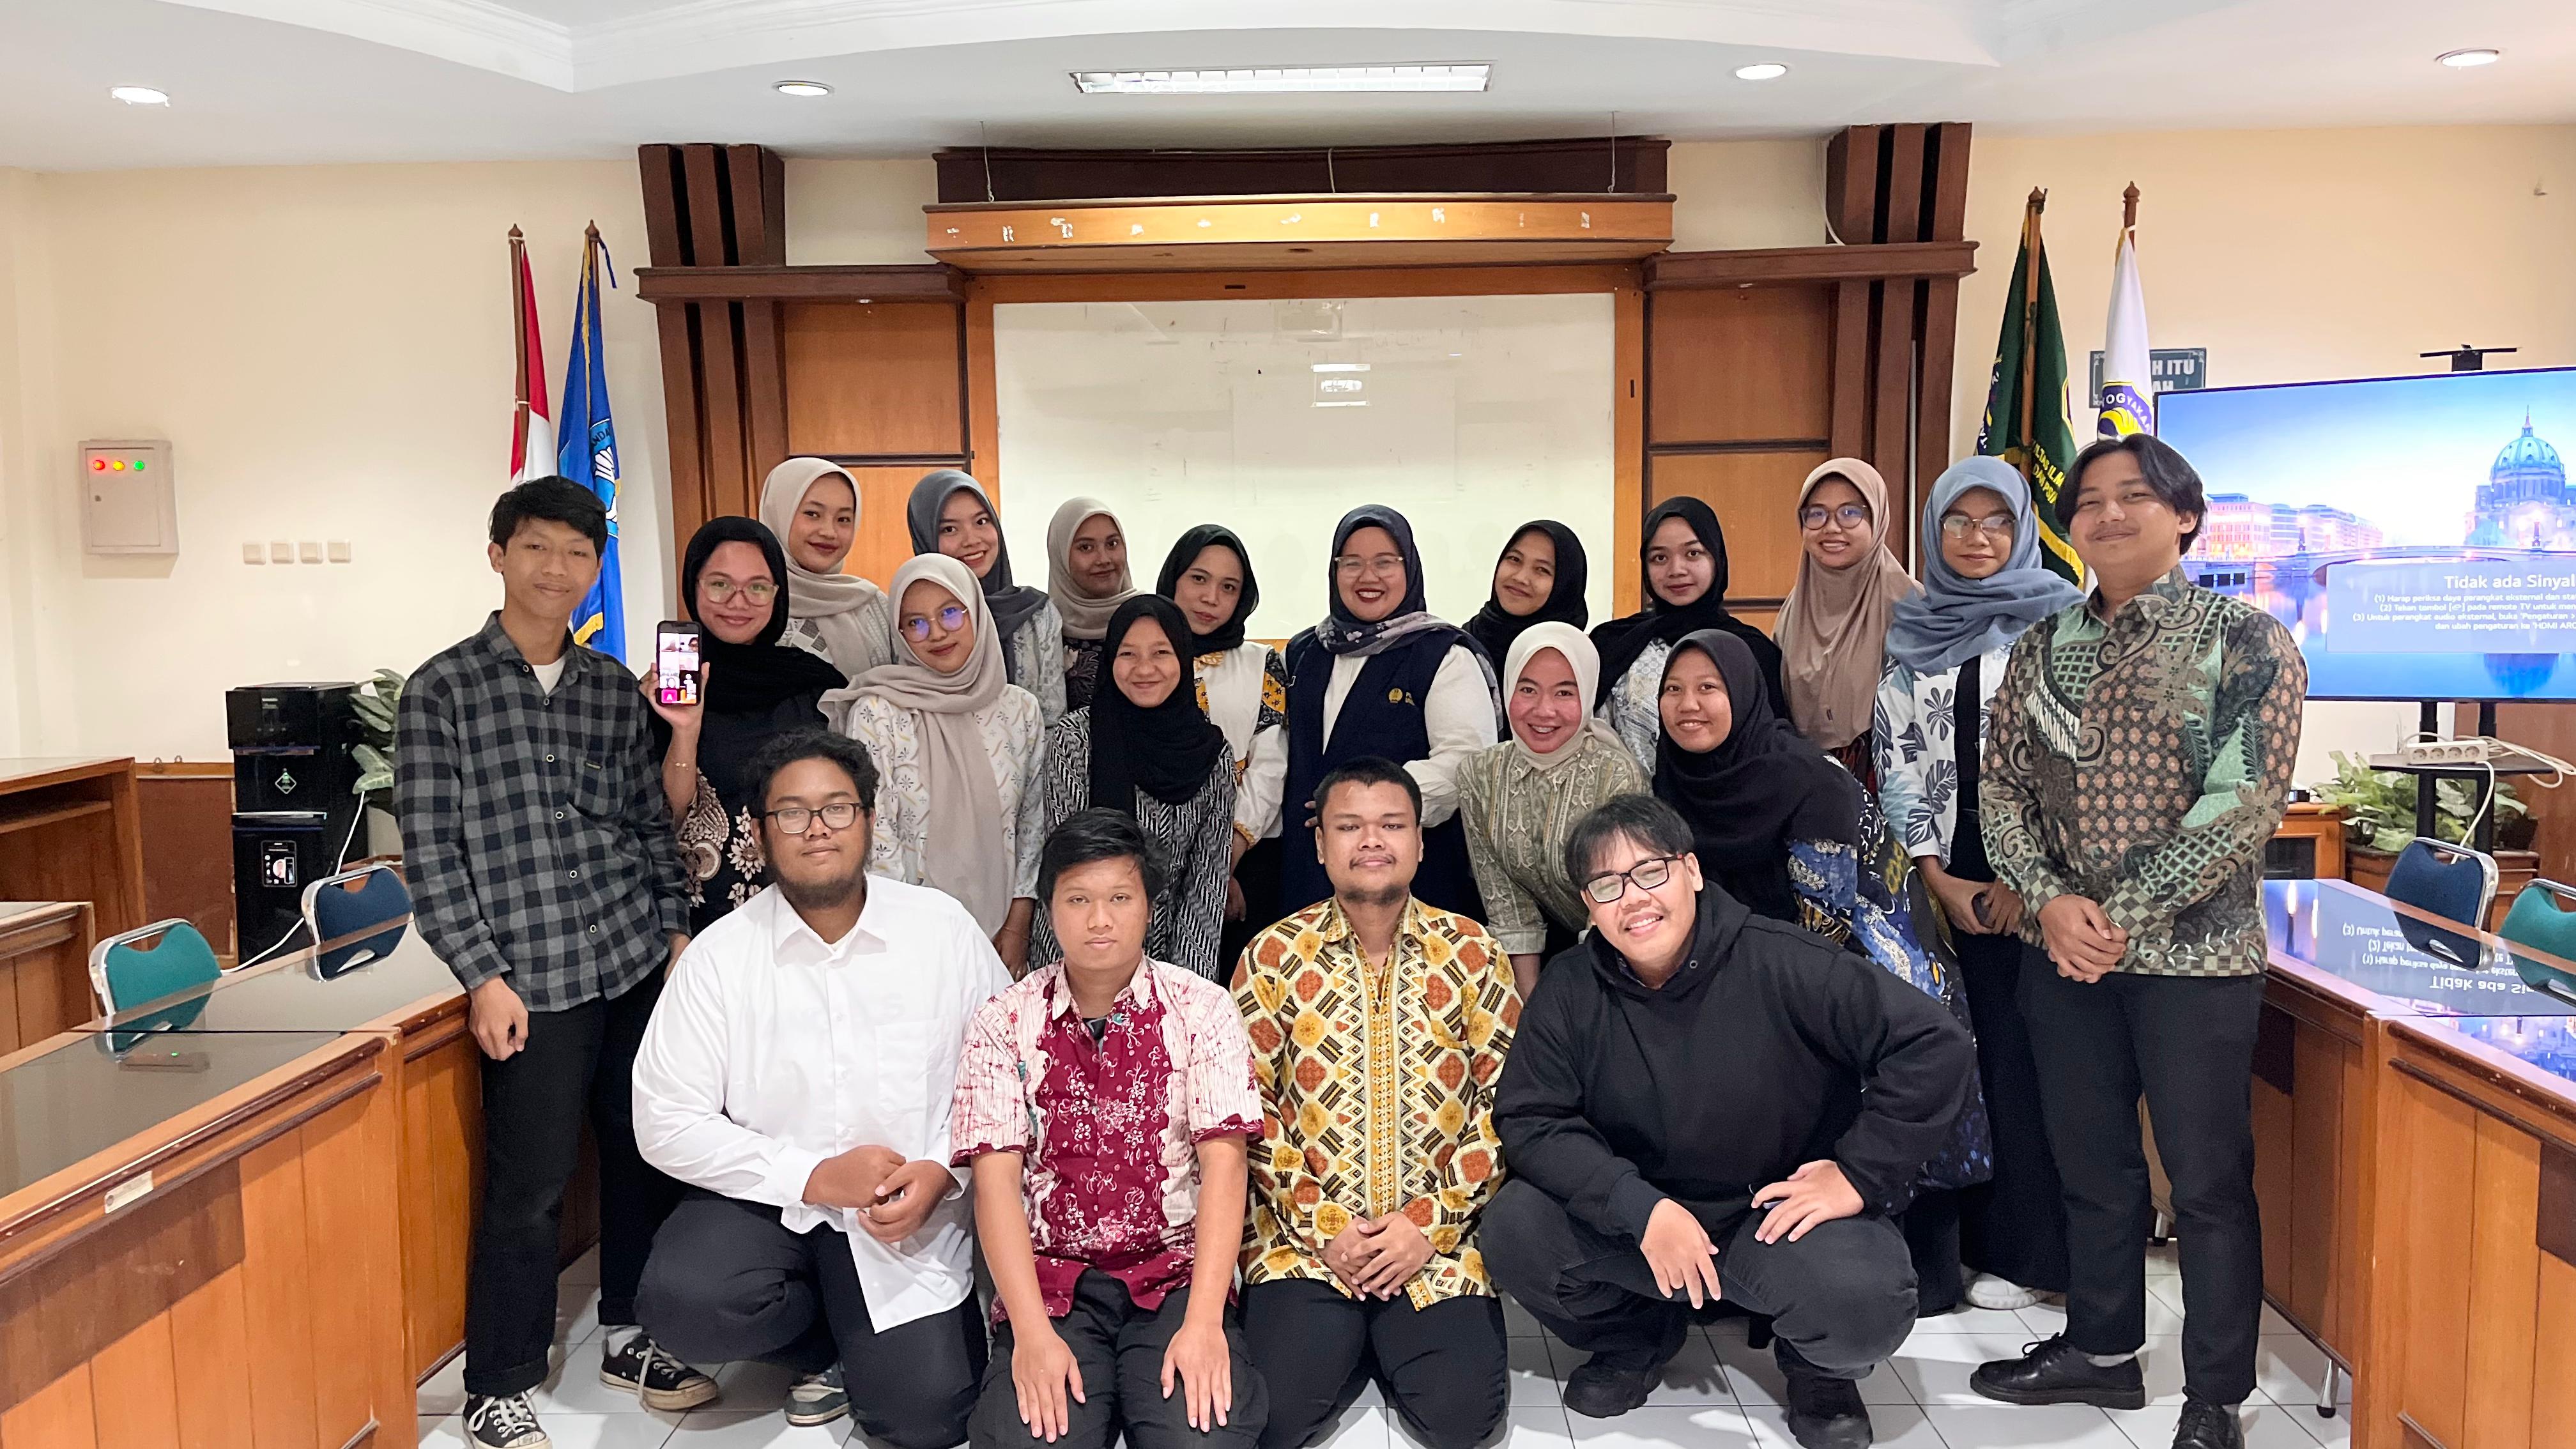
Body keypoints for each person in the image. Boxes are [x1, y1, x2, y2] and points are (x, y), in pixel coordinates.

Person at [1970, 434, 2306, 1449]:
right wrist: (2048, 903)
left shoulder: (2246, 640)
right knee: (2093, 1166)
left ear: (2185, 517)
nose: (2108, 515)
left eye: (2134, 497)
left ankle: (2216, 1397)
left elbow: (2243, 802)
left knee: (2206, 1186)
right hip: (2062, 957)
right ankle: (2103, 1351)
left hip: (2195, 963)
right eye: (2089, 502)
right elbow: (2002, 789)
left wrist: (2118, 916)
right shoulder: (2041, 645)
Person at [1483, 794, 1974, 1449]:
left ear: (1690, 870)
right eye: (1607, 885)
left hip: (1770, 1217)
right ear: (1588, 905)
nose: (1633, 898)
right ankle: (1635, 1336)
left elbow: (1933, 1044)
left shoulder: (1784, 959)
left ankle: (1818, 1372)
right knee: (1514, 1229)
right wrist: (1638, 1208)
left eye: (1650, 872)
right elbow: (1532, 1117)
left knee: (1864, 1300)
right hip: (1643, 1218)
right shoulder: (1570, 989)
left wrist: (1859, 1173)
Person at [395, 477, 716, 1449]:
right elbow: (432, 854)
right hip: (527, 978)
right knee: (529, 1184)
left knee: (638, 1153)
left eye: (578, 553)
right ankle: (499, 1380)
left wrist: (673, 930)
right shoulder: (442, 691)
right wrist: (481, 976)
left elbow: (646, 823)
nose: (558, 569)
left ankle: (631, 1331)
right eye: (537, 547)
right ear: (499, 555)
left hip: (630, 958)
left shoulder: (611, 689)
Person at [632, 731, 1008, 1443]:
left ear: (869, 819)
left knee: (927, 1418)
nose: (817, 829)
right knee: (684, 1303)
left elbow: (1005, 1074)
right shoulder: (720, 957)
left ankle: (864, 1349)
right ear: (759, 830)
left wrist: (943, 1168)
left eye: (837, 808)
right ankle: (824, 1345)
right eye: (792, 813)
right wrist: (811, 1176)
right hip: (771, 1207)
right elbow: (665, 1119)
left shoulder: (941, 931)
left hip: (909, 1212)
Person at [951, 809, 1271, 1449]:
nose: (1100, 919)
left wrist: (1205, 1322)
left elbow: (1226, 1167)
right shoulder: (1003, 1021)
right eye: (1078, 900)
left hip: (1175, 1275)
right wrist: (1032, 1336)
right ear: (1049, 909)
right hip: (1053, 1285)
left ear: (1149, 906)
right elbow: (995, 1184)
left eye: (1120, 898)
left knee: (1204, 1438)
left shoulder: (1202, 1008)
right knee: (1034, 1440)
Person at [1232, 758, 1518, 1449]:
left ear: (1419, 841)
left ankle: (1384, 1336)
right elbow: (1249, 1108)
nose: (1371, 841)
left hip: (1438, 1241)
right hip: (1305, 1241)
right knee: (1274, 1419)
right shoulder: (1271, 956)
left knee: (1462, 1421)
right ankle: (1352, 1336)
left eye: (1391, 825)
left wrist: (1428, 1224)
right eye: (1349, 826)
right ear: (1320, 844)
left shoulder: (1474, 952)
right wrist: (1327, 1226)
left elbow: (1508, 1105)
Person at [1876, 457, 2083, 1314]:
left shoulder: (2063, 625)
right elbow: (1897, 758)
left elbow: (2079, 764)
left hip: (2047, 873)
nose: (1977, 538)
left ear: (2023, 528)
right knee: (1970, 1056)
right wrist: (1939, 878)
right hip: (1945, 866)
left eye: (1997, 520)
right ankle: (1968, 1246)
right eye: (1958, 521)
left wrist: (2029, 880)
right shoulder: (1916, 627)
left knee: (2038, 1061)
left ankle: (2040, 1254)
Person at [1280, 505, 1498, 921]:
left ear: (1409, 569)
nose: (1368, 577)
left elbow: (1467, 763)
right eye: (1352, 563)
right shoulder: (1304, 652)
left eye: (1384, 563)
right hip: (1307, 872)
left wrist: (1367, 810)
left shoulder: (1442, 654)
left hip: (1410, 878)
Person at [836, 553, 1046, 975]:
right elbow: (877, 839)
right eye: (915, 623)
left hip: (1001, 937)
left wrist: (1017, 927)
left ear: (977, 613)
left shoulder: (1020, 711)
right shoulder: (878, 713)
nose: (935, 633)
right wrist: (913, 942)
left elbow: (1032, 825)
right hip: (906, 942)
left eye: (950, 613)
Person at [647, 516, 844, 932]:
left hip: (806, 912)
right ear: (694, 587)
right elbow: (664, 820)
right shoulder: (663, 692)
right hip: (703, 922)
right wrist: (684, 730)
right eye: (720, 584)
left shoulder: (813, 683)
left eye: (757, 587)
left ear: (778, 594)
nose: (738, 602)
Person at [1034, 596, 1238, 977]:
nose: (1144, 669)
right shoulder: (1076, 740)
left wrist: (1184, 992)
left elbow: (1206, 884)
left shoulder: (1213, 755)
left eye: (1161, 652)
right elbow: (1064, 868)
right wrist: (1076, 983)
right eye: (1128, 654)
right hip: (1073, 953)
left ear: (1183, 658)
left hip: (1166, 957)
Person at [1457, 623, 1646, 997]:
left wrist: (1579, 1010)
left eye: (1565, 692)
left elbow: (1616, 902)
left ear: (1588, 694)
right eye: (1527, 689)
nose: (1544, 711)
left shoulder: (1616, 775)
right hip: (1540, 959)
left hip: (1621, 955)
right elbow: (1507, 905)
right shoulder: (1479, 775)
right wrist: (1530, 1011)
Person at [1156, 525, 1291, 963]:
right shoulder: (1145, 658)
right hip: (1159, 859)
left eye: (1228, 587)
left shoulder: (1261, 663)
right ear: (1174, 578)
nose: (1211, 597)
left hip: (1249, 858)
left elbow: (1270, 765)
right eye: (1199, 578)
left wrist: (1222, 863)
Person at [1591, 498, 1786, 772]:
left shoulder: (1750, 650)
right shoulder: (1613, 642)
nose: (1676, 570)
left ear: (1717, 558)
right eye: (1660, 558)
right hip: (1625, 797)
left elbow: (1771, 747)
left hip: (1727, 795)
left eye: (1693, 553)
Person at [1775, 459, 1919, 783]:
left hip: (1896, 784)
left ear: (1877, 519)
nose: (1831, 527)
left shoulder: (1912, 608)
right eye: (1816, 514)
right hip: (1809, 784)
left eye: (1850, 512)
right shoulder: (1794, 613)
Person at [908, 468, 1068, 723]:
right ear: (924, 537)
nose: (971, 540)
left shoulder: (1036, 613)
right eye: (949, 529)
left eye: (981, 522)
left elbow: (1052, 719)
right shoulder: (911, 620)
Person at [760, 456, 896, 681]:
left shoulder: (874, 604)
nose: (829, 532)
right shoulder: (751, 605)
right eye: (812, 514)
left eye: (843, 519)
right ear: (779, 513)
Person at [1045, 497, 1140, 712]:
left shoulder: (1150, 618)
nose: (1103, 559)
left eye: (1112, 544)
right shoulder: (1042, 629)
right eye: (1086, 547)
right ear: (1060, 555)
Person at [1463, 520, 1589, 667]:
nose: (1520, 578)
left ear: (1565, 586)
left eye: (1542, 569)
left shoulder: (1578, 664)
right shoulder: (1460, 647)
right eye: (1515, 559)